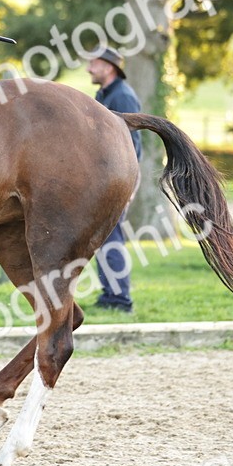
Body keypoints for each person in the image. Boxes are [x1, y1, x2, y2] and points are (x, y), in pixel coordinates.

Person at [87, 46, 142, 312]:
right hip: (105, 179)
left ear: (108, 67)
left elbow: (133, 145)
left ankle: (120, 299)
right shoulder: (105, 94)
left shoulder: (123, 97)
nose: (89, 68)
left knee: (111, 237)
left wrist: (128, 184)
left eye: (93, 63)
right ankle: (111, 295)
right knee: (104, 237)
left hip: (117, 179)